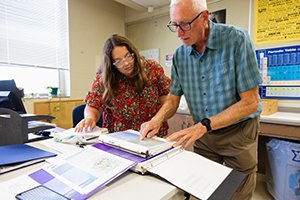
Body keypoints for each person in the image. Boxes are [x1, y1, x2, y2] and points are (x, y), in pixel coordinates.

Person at [140, 0, 262, 199]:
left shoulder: (236, 40)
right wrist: (157, 119)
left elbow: (250, 103)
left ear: (204, 17)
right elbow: (172, 99)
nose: (179, 32)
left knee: (238, 191)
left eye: (185, 24)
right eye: (174, 25)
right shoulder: (180, 56)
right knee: (207, 188)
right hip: (204, 137)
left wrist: (203, 125)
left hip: (238, 132)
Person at [75, 34, 170, 137]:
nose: (126, 63)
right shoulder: (104, 76)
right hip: (118, 136)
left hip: (151, 133)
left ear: (133, 53)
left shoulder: (151, 68)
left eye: (128, 56)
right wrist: (90, 118)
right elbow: (94, 104)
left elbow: (167, 97)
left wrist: (158, 119)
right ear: (111, 64)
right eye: (118, 61)